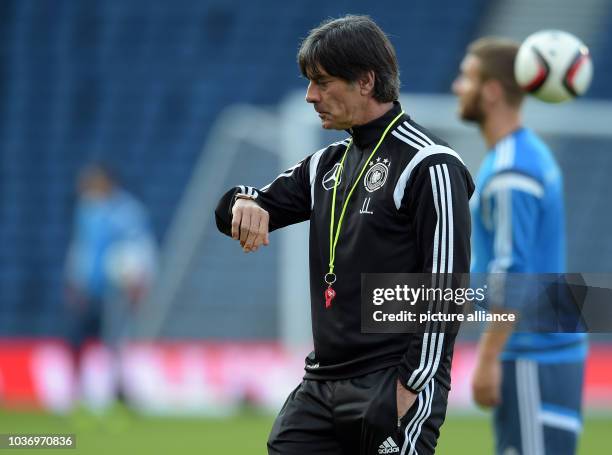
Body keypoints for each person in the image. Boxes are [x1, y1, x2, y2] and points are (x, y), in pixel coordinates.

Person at [215, 15, 473, 454]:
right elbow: (245, 207)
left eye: (323, 81)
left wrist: (408, 387)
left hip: (391, 381)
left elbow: (446, 287)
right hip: (322, 384)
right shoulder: (326, 164)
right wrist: (241, 202)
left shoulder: (432, 165)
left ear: (366, 81)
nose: (310, 95)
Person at [452, 37, 588, 455]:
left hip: (533, 356)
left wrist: (489, 357)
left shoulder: (513, 168)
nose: (458, 86)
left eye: (467, 76)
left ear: (492, 91)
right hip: (539, 351)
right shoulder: (518, 155)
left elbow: (514, 272)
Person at [65, 163, 158, 410]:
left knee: (113, 342)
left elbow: (141, 247)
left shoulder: (128, 211)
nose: (87, 186)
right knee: (77, 339)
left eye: (92, 180)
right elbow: (81, 247)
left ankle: (117, 391)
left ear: (107, 181)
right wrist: (74, 280)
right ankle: (77, 392)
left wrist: (139, 280)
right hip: (89, 288)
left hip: (116, 290)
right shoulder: (87, 208)